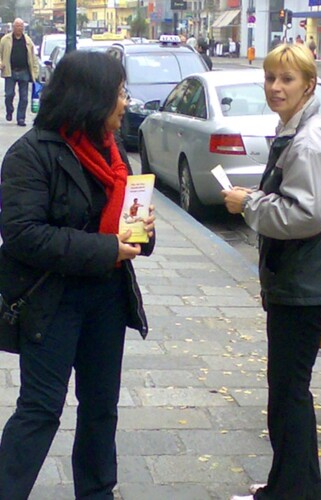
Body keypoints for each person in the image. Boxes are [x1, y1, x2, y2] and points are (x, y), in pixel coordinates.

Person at [0, 50, 155, 499]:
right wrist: (107, 248)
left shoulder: (112, 151)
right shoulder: (31, 154)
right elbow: (24, 235)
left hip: (107, 298)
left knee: (102, 408)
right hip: (51, 302)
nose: (124, 103)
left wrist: (141, 234)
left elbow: (128, 225)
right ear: (90, 98)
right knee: (41, 409)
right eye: (118, 94)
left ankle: (97, 492)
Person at [223, 43, 321, 500]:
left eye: (287, 80)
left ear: (309, 85)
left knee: (289, 393)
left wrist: (250, 204)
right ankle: (290, 487)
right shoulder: (299, 129)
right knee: (286, 391)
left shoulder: (309, 138)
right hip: (301, 281)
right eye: (271, 78)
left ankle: (295, 492)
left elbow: (307, 215)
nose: (275, 88)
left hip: (304, 283)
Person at [0, 18, 39, 126]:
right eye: (17, 26)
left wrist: (35, 72)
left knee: (24, 97)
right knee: (9, 94)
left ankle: (21, 118)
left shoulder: (28, 41)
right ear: (13, 27)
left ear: (23, 28)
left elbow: (33, 57)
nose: (19, 28)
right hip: (10, 71)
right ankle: (9, 110)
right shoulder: (5, 40)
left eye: (21, 26)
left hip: (24, 72)